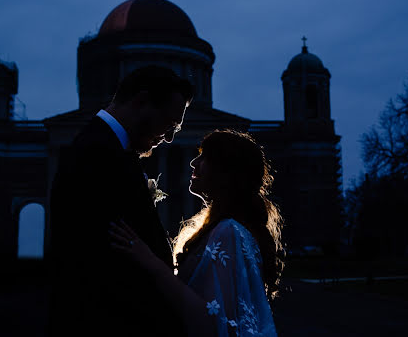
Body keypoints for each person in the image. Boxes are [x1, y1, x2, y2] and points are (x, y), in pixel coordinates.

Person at [47, 65, 194, 337]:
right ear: (141, 101)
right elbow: (96, 269)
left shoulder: (105, 148)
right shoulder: (97, 154)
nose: (171, 138)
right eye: (171, 124)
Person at [109, 129, 285, 337]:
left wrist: (149, 260)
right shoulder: (225, 228)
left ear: (225, 172)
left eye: (204, 157)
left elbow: (216, 322)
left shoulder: (229, 232)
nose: (194, 163)